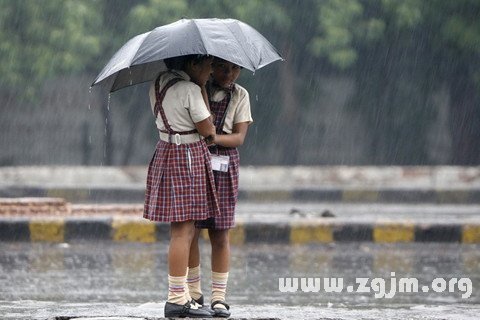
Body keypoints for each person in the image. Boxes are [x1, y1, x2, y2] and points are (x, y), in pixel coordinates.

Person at [143, 54, 220, 318]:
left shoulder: (158, 83)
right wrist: (200, 91)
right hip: (186, 155)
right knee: (183, 229)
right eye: (208, 66)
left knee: (184, 229)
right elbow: (208, 129)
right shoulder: (189, 89)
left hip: (166, 151)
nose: (211, 72)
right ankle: (176, 298)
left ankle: (187, 295)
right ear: (192, 64)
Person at [187, 58, 253, 318]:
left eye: (235, 69)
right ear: (211, 66)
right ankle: (193, 292)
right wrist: (201, 89)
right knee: (190, 230)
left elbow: (238, 137)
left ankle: (219, 296)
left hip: (224, 163)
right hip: (196, 160)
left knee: (220, 232)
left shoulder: (241, 95)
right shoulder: (196, 89)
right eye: (224, 68)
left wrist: (214, 138)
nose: (230, 74)